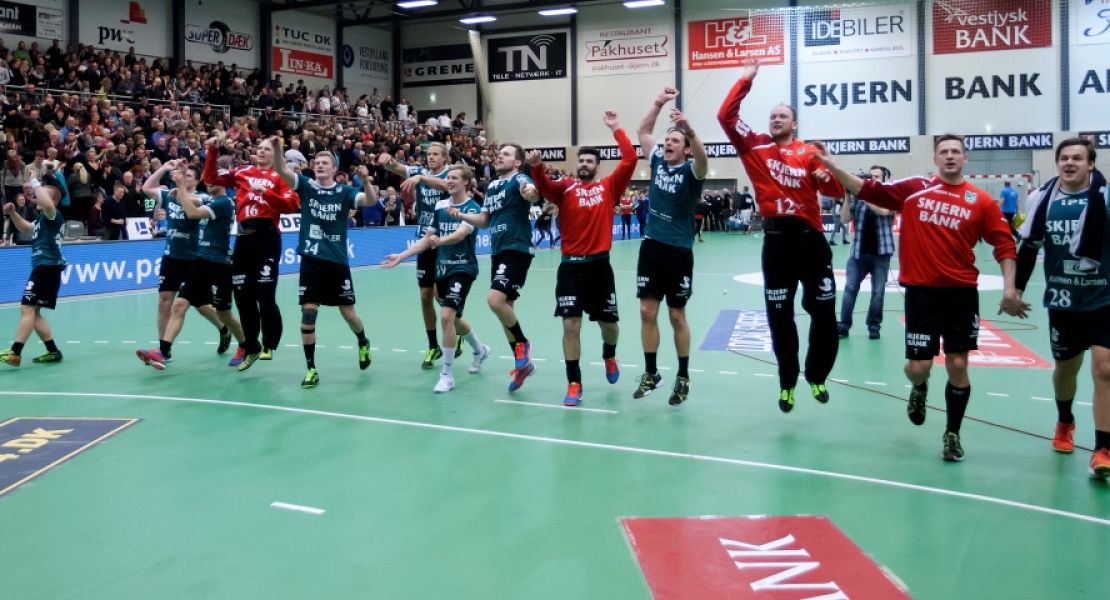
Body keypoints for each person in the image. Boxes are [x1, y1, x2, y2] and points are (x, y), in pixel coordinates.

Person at [812, 134, 1029, 462]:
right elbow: (869, 190)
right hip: (921, 293)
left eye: (956, 151)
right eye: (944, 151)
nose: (950, 156)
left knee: (958, 364)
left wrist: (1010, 289)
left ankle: (952, 434)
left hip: (961, 293)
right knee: (918, 367)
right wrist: (833, 166)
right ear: (935, 158)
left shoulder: (981, 201)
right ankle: (919, 387)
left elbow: (1004, 244)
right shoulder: (915, 188)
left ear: (965, 159)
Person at [717, 64, 845, 412]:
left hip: (810, 241)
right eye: (772, 115)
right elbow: (725, 116)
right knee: (779, 317)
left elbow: (836, 192)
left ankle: (816, 375)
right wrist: (746, 78)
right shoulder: (755, 145)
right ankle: (787, 382)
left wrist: (828, 172)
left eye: (782, 116)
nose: (776, 119)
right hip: (776, 244)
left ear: (794, 124)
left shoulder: (809, 152)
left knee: (823, 314)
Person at [526, 110, 637, 406]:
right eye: (582, 161)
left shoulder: (609, 187)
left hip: (600, 267)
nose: (585, 164)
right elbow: (544, 187)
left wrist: (616, 128)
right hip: (570, 268)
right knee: (570, 326)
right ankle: (574, 383)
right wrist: (536, 168)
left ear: (598, 166)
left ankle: (609, 355)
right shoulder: (565, 188)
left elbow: (630, 159)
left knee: (609, 326)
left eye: (590, 161)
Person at [1015, 138, 1110, 477]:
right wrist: (1015, 290)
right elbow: (1029, 247)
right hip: (1063, 300)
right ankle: (1065, 420)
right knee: (1066, 370)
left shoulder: (1105, 198)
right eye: (1064, 158)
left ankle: (1103, 448)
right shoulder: (1043, 199)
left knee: (1105, 369)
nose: (1070, 163)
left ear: (1091, 164)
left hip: (1103, 298)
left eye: (1077, 158)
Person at [382, 164, 491, 393]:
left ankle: (447, 375)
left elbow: (460, 234)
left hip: (463, 267)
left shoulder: (472, 208)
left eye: (454, 178)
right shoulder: (440, 205)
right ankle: (480, 349)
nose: (449, 181)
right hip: (442, 269)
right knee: (454, 319)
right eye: (448, 177)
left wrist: (441, 241)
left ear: (465, 182)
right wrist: (401, 256)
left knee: (446, 316)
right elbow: (426, 238)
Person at [273, 156, 378, 388]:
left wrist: (365, 181)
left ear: (334, 169)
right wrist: (278, 148)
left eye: (324, 163)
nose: (319, 165)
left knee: (349, 314)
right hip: (311, 260)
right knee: (308, 315)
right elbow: (280, 169)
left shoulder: (345, 192)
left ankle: (362, 341)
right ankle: (311, 369)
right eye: (316, 163)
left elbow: (370, 200)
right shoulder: (306, 186)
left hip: (336, 262)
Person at [632, 87, 708, 405]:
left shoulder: (692, 172)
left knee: (676, 315)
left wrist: (689, 130)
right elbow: (643, 131)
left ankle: (683, 376)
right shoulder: (658, 162)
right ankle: (651, 373)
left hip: (678, 251)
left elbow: (703, 160)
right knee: (646, 311)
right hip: (652, 247)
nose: (667, 143)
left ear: (686, 148)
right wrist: (658, 102)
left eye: (675, 141)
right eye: (667, 140)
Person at [447, 144, 542, 393]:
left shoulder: (519, 179)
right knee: (505, 309)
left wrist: (531, 193)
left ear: (518, 162)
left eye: (506, 154)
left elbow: (531, 193)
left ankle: (522, 345)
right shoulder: (492, 186)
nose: (499, 156)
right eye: (499, 153)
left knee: (494, 300)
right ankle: (522, 365)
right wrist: (461, 215)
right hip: (498, 251)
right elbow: (484, 221)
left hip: (517, 248)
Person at [203, 134, 300, 371]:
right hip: (243, 239)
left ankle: (269, 343)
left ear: (275, 153)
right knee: (242, 296)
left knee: (264, 294)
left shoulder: (282, 176)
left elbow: (292, 205)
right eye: (260, 148)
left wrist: (266, 193)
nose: (262, 151)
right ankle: (251, 346)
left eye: (267, 148)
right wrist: (213, 152)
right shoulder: (243, 172)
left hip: (267, 238)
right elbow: (211, 178)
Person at [136, 163, 245, 370]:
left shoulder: (208, 199)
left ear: (195, 180)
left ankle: (235, 336)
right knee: (172, 303)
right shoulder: (176, 195)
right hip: (178, 258)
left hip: (203, 260)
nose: (183, 177)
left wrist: (178, 190)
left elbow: (193, 209)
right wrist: (165, 169)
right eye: (182, 174)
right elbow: (147, 188)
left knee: (211, 309)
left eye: (188, 175)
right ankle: (163, 350)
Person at [378, 143, 455, 369]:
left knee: (441, 295)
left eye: (435, 154)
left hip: (444, 239)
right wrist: (387, 160)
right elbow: (397, 168)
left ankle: (457, 330)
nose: (430, 157)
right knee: (425, 295)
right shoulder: (418, 171)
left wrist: (421, 178)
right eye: (428, 154)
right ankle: (433, 345)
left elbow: (445, 185)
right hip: (424, 239)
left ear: (445, 157)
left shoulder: (451, 174)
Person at [0, 176, 66, 367]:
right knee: (34, 312)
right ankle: (53, 351)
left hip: (47, 266)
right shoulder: (42, 220)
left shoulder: (53, 215)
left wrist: (36, 183)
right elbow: (26, 228)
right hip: (44, 267)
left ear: (53, 200)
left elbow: (47, 204)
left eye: (42, 194)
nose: (37, 197)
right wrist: (13, 213)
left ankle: (15, 353)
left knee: (27, 308)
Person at [837, 166, 896, 340]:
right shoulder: (858, 198)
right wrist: (847, 196)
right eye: (870, 176)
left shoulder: (890, 195)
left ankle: (874, 327)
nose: (872, 179)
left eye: (876, 176)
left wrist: (866, 196)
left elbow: (883, 211)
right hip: (858, 255)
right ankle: (843, 325)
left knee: (878, 293)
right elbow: (844, 219)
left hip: (881, 255)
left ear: (884, 179)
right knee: (850, 289)